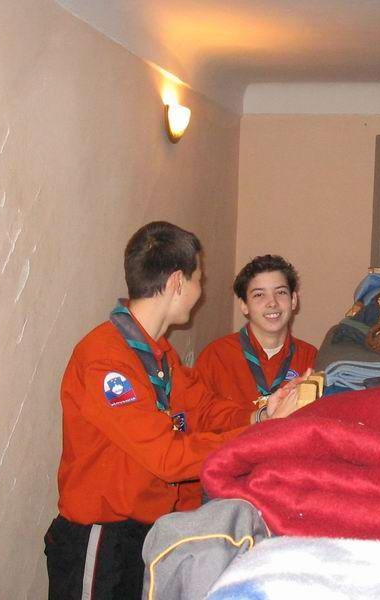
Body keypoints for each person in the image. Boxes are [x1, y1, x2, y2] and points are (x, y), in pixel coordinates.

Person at [44, 222, 303, 600]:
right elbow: (167, 457)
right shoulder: (106, 360)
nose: (201, 291)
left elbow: (204, 408)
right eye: (199, 279)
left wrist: (263, 413)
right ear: (178, 282)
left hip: (146, 530)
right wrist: (260, 435)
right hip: (101, 540)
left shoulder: (159, 353)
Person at [194, 254, 318, 407]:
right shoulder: (215, 357)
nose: (272, 303)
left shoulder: (310, 358)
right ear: (244, 305)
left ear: (293, 300)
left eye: (280, 292)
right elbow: (197, 415)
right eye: (259, 295)